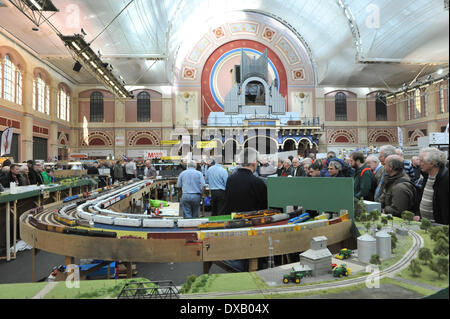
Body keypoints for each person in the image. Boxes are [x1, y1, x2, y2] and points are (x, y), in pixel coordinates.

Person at [224, 148, 268, 214]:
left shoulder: (230, 179)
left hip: (233, 220)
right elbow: (263, 207)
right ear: (254, 162)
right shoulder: (258, 182)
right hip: (252, 221)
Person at [418, 147, 449, 225]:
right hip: (426, 224)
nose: (419, 164)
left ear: (432, 163)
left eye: (422, 161)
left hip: (441, 227)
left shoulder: (446, 178)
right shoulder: (426, 176)